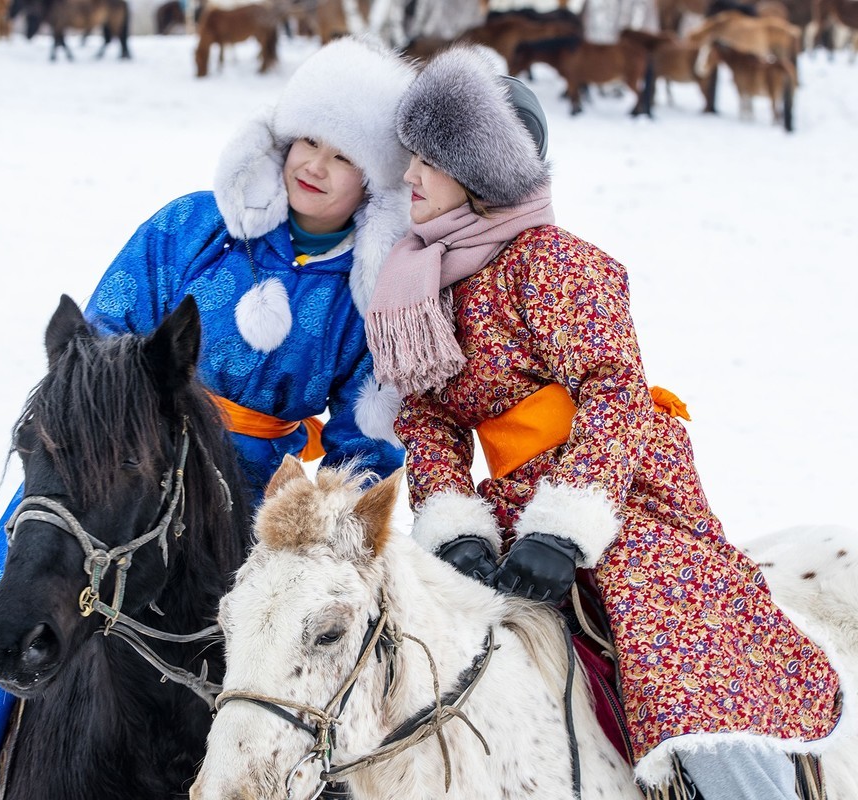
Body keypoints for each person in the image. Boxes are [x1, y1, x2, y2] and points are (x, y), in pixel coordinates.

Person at [0, 37, 415, 800]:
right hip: (121, 458)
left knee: (309, 663)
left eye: (343, 156)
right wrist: (118, 421)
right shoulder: (194, 226)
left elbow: (364, 436)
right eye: (309, 139)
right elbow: (102, 336)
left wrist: (321, 520)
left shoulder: (369, 292)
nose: (316, 164)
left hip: (265, 499)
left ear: (370, 180)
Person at [364, 44, 850, 798]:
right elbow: (427, 417)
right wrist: (455, 524)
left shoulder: (555, 262)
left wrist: (565, 526)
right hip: (510, 502)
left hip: (620, 492)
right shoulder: (422, 281)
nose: (408, 176)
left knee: (671, 636)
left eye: (428, 160)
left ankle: (745, 782)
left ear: (482, 171)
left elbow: (615, 390)